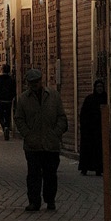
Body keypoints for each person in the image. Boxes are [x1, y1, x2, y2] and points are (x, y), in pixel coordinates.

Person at [14, 66, 68, 211]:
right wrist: (27, 134)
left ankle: (50, 200)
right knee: (33, 175)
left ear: (41, 81)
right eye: (31, 82)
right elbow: (19, 119)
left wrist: (56, 133)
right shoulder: (24, 99)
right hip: (33, 145)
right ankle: (34, 201)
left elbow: (61, 117)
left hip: (51, 144)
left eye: (36, 82)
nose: (34, 85)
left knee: (50, 174)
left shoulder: (53, 96)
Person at [78, 77, 106, 176]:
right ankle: (84, 168)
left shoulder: (105, 99)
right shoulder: (89, 99)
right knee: (87, 150)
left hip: (100, 130)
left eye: (101, 86)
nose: (99, 89)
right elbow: (83, 113)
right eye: (98, 86)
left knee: (99, 151)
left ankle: (99, 169)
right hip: (89, 131)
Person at [0, 63, 17, 140]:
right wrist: (12, 97)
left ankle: (4, 127)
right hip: (8, 100)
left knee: (1, 116)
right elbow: (14, 90)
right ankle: (7, 126)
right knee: (8, 115)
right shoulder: (11, 80)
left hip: (0, 100)